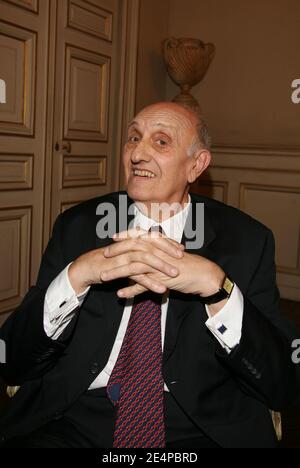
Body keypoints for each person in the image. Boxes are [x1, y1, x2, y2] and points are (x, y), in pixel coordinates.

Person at [0, 102, 299, 448]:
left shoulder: (247, 242)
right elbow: (12, 359)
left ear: (196, 165)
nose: (137, 153)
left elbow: (285, 381)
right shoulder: (78, 227)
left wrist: (219, 290)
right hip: (74, 418)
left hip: (196, 427)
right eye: (133, 137)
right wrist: (75, 277)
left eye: (160, 142)